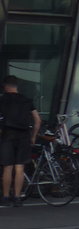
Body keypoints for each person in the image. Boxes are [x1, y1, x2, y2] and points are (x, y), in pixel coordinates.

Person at [0, 75, 41, 206]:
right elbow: (37, 120)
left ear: (5, 86)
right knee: (20, 167)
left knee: (7, 167)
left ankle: (6, 197)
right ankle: (17, 198)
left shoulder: (2, 99)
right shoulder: (27, 100)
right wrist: (33, 136)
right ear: (16, 86)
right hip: (24, 137)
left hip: (7, 135)